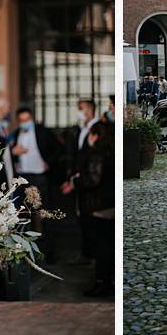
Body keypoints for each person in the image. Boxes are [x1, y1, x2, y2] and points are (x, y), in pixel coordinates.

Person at [62, 122, 115, 297]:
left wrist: (75, 181)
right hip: (104, 204)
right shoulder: (108, 151)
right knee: (105, 246)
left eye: (91, 135)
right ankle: (105, 280)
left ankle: (103, 282)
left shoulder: (97, 153)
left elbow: (93, 178)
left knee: (102, 247)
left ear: (96, 136)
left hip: (97, 205)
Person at [11, 105, 63, 264]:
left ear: (31, 118)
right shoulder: (16, 133)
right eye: (21, 120)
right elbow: (10, 153)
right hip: (23, 177)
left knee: (45, 213)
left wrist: (49, 164)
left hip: (40, 176)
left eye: (26, 120)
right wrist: (14, 155)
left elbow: (58, 149)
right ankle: (29, 252)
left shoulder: (42, 131)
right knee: (25, 214)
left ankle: (50, 252)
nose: (24, 122)